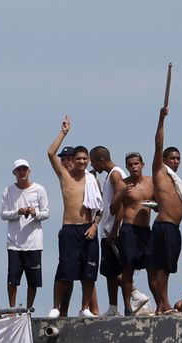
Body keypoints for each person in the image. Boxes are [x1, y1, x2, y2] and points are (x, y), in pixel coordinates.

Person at [46, 116, 103, 318]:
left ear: (88, 161)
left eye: (84, 158)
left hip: (88, 228)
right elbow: (50, 153)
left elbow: (100, 208)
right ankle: (56, 306)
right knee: (65, 270)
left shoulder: (92, 180)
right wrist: (64, 132)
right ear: (72, 160)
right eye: (78, 158)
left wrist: (95, 225)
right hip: (70, 228)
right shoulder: (65, 175)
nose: (81, 161)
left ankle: (85, 307)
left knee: (89, 273)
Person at [147, 107, 182, 314]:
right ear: (165, 160)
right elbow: (158, 145)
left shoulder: (176, 181)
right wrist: (161, 120)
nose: (176, 161)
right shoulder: (160, 170)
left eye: (178, 158)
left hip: (173, 227)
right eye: (172, 158)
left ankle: (161, 305)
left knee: (164, 268)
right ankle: (165, 303)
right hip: (164, 226)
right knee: (161, 268)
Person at [0, 159, 50, 308]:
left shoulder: (39, 189)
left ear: (29, 171)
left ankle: (29, 308)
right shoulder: (8, 190)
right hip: (14, 243)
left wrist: (36, 213)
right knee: (13, 279)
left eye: (24, 169)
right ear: (14, 172)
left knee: (33, 280)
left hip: (34, 242)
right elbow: (3, 214)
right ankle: (12, 308)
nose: (22, 172)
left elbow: (46, 213)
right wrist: (18, 212)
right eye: (19, 170)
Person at [111, 152, 153, 315]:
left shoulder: (151, 182)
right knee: (127, 269)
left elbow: (159, 202)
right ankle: (128, 307)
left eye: (136, 164)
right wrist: (121, 194)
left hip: (145, 229)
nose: (134, 167)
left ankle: (160, 304)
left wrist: (156, 207)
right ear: (127, 167)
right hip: (129, 229)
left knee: (152, 268)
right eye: (130, 165)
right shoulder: (123, 184)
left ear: (142, 165)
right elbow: (113, 209)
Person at [89, 146, 126, 316]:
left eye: (93, 161)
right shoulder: (109, 176)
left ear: (101, 160)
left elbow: (121, 201)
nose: (92, 165)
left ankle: (131, 301)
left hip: (114, 231)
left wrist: (115, 230)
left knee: (119, 271)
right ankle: (113, 307)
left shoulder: (116, 174)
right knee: (110, 272)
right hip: (108, 229)